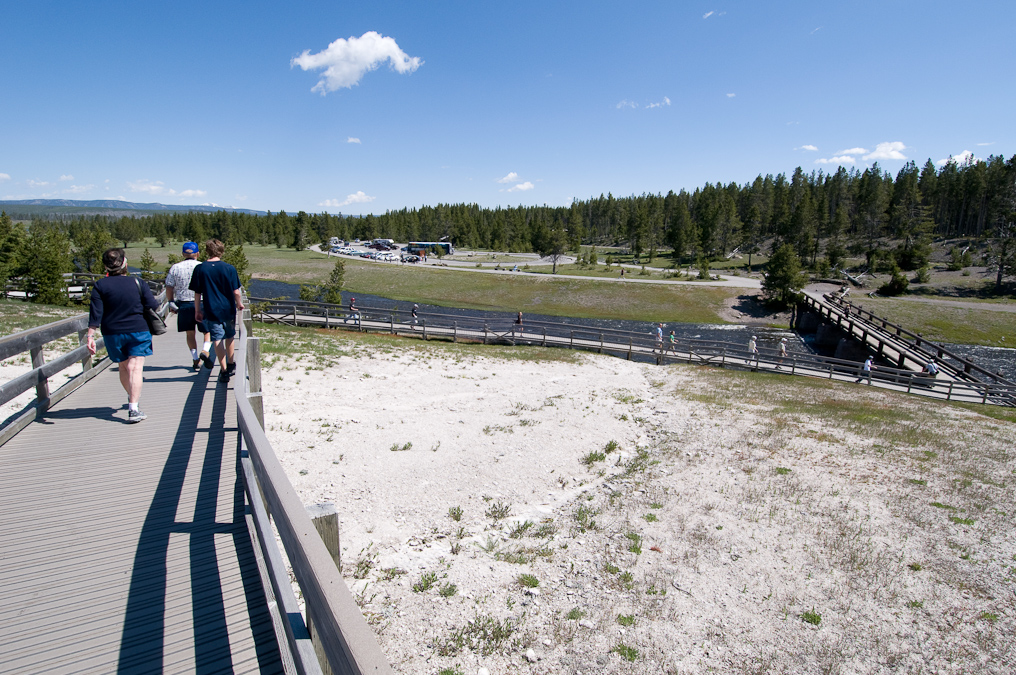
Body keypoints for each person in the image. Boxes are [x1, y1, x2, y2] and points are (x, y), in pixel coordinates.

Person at [86, 248, 160, 423]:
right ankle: (133, 407)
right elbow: (153, 304)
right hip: (138, 330)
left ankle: (132, 398)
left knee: (123, 367)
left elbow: (96, 313)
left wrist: (90, 336)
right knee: (135, 368)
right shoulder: (137, 282)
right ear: (125, 263)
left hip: (112, 332)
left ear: (106, 266)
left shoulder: (100, 285)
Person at [189, 239, 244, 383]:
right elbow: (236, 291)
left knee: (217, 338)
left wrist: (197, 310)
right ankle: (231, 363)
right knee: (230, 336)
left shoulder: (200, 269)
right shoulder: (229, 268)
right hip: (227, 308)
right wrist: (239, 303)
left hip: (211, 309)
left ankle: (224, 369)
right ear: (221, 251)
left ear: (207, 251)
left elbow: (197, 293)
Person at [165, 241, 212, 371]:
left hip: (184, 304)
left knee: (190, 333)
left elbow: (169, 286)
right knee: (207, 331)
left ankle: (195, 359)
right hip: (201, 302)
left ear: (183, 254)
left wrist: (171, 301)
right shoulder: (203, 266)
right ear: (198, 253)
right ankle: (206, 350)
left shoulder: (175, 267)